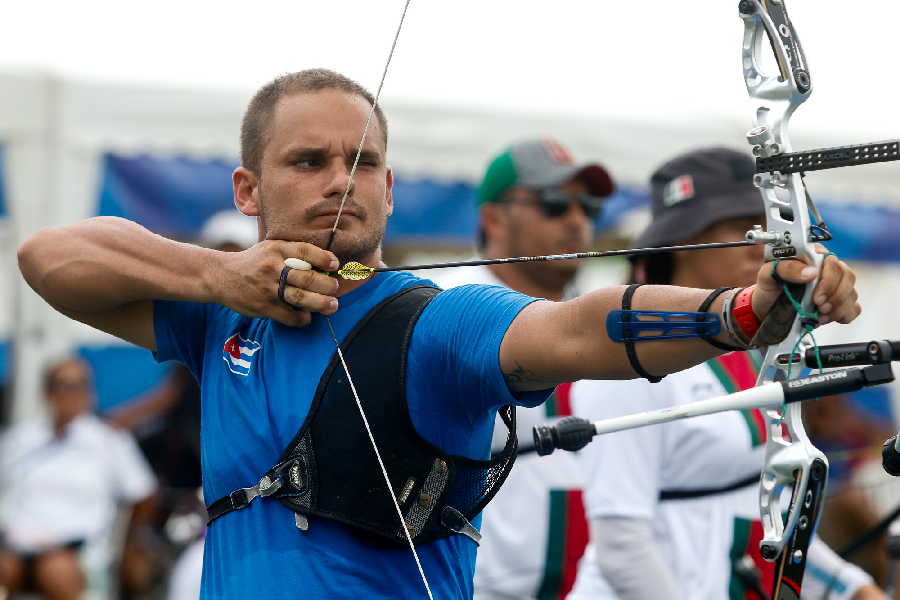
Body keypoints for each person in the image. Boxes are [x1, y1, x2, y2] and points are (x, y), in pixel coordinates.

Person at [16, 69, 861, 600]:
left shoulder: (437, 318)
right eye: (308, 162)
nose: (342, 182)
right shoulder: (217, 313)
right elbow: (49, 256)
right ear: (248, 188)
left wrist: (739, 313)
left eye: (366, 163)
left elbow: (576, 329)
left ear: (389, 189)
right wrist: (223, 276)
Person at [567, 147, 884, 600]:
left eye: (774, 226)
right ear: (682, 241)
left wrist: (853, 589)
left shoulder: (751, 352)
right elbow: (622, 547)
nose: (767, 243)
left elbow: (760, 517)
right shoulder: (628, 358)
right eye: (744, 227)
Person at [433, 138, 614, 598]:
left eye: (587, 207)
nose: (576, 221)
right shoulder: (445, 303)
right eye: (554, 204)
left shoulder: (589, 320)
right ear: (493, 217)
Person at [0, 356, 156, 600]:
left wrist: (129, 545)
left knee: (55, 570)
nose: (72, 394)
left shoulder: (108, 440)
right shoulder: (22, 438)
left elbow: (143, 494)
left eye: (80, 386)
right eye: (63, 386)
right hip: (18, 549)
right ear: (47, 392)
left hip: (77, 551)